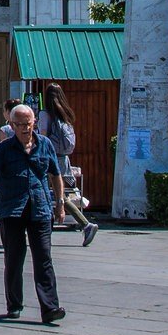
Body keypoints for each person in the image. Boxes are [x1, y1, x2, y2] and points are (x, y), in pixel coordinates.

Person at [0, 103, 65, 324]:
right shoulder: (5, 148)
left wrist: (60, 203)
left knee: (44, 258)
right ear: (11, 125)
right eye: (20, 124)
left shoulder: (45, 144)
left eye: (28, 123)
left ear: (34, 122)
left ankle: (50, 307)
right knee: (14, 259)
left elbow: (55, 175)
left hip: (40, 208)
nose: (25, 128)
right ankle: (14, 304)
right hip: (12, 210)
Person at [39, 84, 97, 247]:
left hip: (49, 158)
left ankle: (83, 224)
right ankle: (85, 225)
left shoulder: (45, 114)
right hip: (63, 159)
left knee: (46, 193)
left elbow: (43, 136)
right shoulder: (65, 113)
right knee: (59, 194)